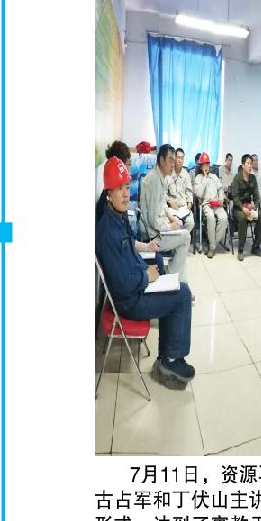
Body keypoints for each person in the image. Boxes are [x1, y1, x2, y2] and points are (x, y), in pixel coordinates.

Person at [96, 156, 195, 387]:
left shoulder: (117, 216)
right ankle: (170, 361)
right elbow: (122, 284)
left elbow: (129, 248)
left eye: (126, 187)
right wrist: (146, 276)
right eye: (118, 189)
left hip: (134, 286)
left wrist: (147, 263)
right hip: (129, 301)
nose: (125, 194)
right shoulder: (107, 232)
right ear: (109, 193)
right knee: (182, 295)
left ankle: (167, 355)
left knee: (165, 272)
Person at [140, 144, 191, 283]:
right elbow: (154, 221)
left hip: (159, 228)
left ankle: (180, 280)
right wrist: (170, 226)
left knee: (181, 227)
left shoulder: (160, 177)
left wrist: (172, 218)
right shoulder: (154, 181)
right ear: (161, 160)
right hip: (155, 236)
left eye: (174, 160)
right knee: (186, 237)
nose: (173, 164)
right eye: (170, 160)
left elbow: (162, 206)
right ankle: (170, 275)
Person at [231, 154, 261, 260]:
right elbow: (235, 198)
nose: (250, 166)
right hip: (238, 209)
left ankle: (255, 246)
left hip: (249, 208)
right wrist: (243, 208)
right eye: (248, 163)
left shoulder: (253, 178)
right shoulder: (237, 178)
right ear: (243, 165)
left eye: (251, 163)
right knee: (243, 217)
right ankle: (241, 250)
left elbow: (256, 196)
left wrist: (255, 206)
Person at [192, 152, 228, 258]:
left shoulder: (214, 177)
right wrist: (204, 178)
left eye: (207, 164)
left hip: (217, 204)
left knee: (224, 218)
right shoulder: (198, 178)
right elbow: (199, 194)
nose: (206, 167)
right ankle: (212, 247)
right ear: (200, 166)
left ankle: (212, 244)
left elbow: (220, 189)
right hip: (206, 205)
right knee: (211, 218)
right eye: (204, 165)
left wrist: (221, 198)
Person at [165, 148, 196, 237]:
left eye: (182, 158)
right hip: (172, 208)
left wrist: (189, 203)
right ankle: (178, 241)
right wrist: (170, 202)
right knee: (177, 223)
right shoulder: (168, 173)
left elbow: (189, 191)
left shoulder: (186, 174)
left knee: (191, 223)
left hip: (184, 208)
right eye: (178, 157)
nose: (180, 160)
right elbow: (163, 192)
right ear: (174, 158)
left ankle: (180, 240)